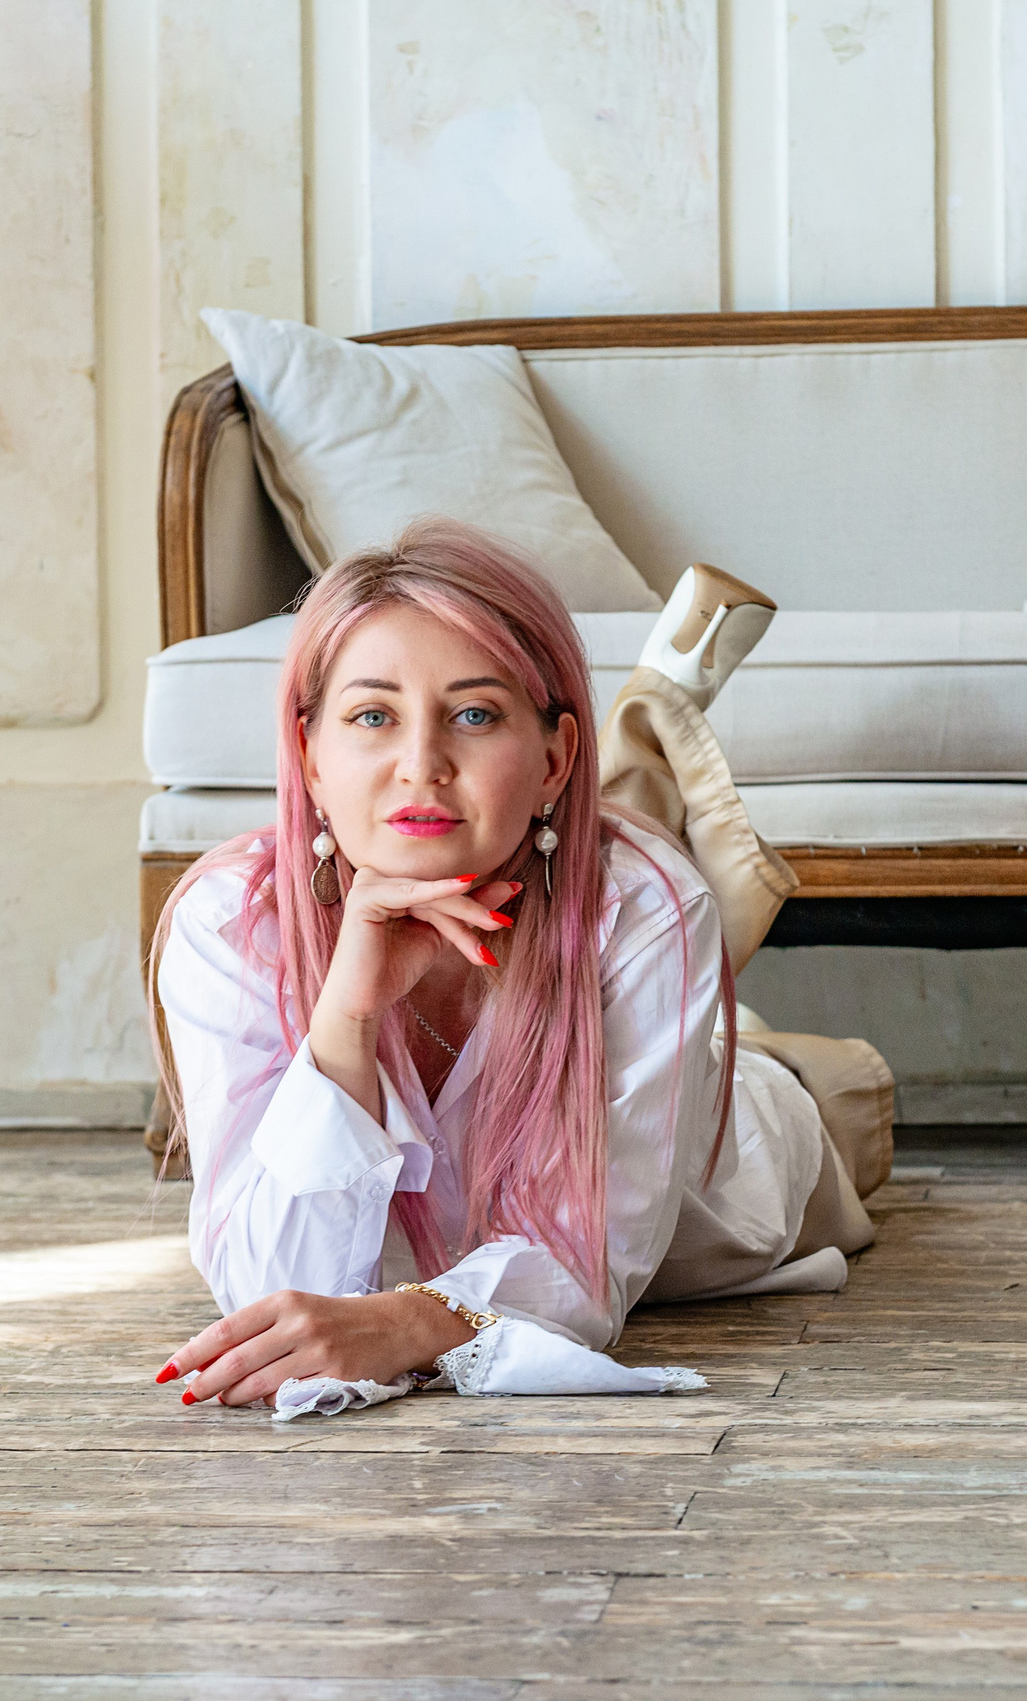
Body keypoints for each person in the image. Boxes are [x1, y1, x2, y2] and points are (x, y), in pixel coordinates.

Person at [149, 518, 897, 1407]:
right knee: (598, 878)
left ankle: (631, 795)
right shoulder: (230, 921)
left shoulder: (652, 910)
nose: (419, 765)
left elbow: (589, 1269)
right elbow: (269, 1290)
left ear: (552, 756)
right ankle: (638, 751)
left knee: (812, 1075)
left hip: (739, 1158)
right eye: (372, 715)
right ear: (308, 757)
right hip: (559, 873)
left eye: (474, 713)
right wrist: (346, 1018)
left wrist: (406, 1322)